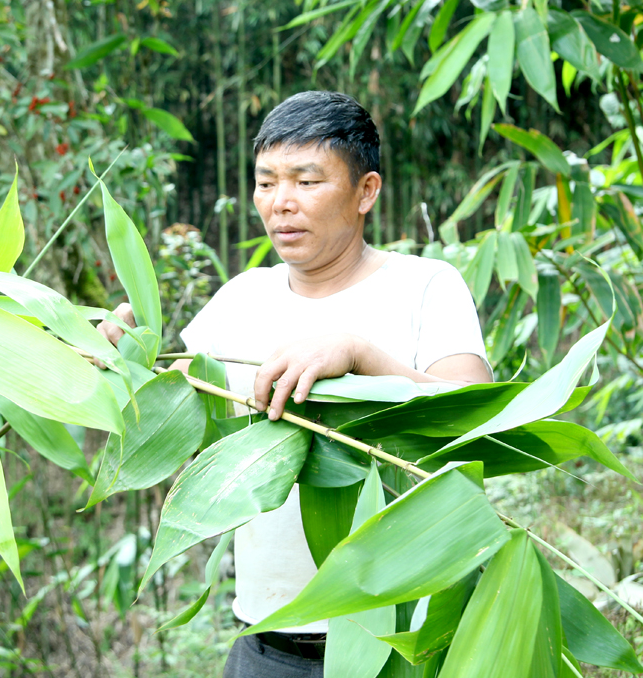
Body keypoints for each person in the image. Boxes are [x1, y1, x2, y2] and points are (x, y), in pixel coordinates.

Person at [97, 91, 491, 677]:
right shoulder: (242, 298)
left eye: (306, 182)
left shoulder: (426, 285)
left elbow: (476, 421)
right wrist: (119, 365)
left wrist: (360, 354)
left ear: (367, 191)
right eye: (266, 182)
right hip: (269, 645)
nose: (280, 203)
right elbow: (173, 417)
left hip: (406, 643)